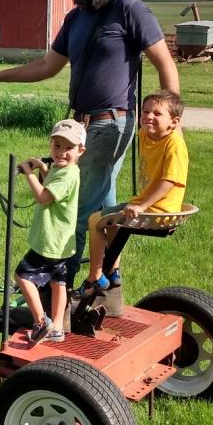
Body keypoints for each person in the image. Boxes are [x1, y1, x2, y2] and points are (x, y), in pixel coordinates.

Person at [0, 0, 180, 285]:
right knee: (103, 208)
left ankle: (61, 288)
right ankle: (108, 280)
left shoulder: (128, 9)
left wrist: (173, 119)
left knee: (78, 210)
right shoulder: (75, 19)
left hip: (112, 124)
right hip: (80, 128)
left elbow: (164, 63)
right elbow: (47, 66)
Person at [75, 90, 188, 297]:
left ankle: (95, 276)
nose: (148, 117)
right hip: (146, 204)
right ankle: (113, 270)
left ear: (174, 122)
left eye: (157, 113)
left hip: (158, 208)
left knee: (94, 221)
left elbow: (169, 182)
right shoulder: (145, 134)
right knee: (111, 221)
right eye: (145, 111)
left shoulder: (174, 144)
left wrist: (141, 206)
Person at [14, 119, 85, 344]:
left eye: (69, 148)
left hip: (50, 241)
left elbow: (44, 197)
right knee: (58, 282)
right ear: (50, 144)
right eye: (57, 146)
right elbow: (53, 185)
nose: (61, 152)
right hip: (62, 242)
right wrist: (43, 168)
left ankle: (40, 321)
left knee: (22, 276)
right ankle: (56, 328)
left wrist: (29, 174)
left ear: (80, 151)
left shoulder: (67, 174)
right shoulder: (63, 169)